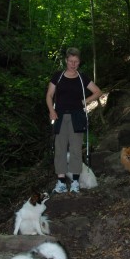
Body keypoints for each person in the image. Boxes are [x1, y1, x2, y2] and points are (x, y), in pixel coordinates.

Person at [46, 47, 102, 193]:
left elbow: (97, 91)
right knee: (60, 149)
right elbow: (49, 95)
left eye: (76, 62)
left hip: (77, 117)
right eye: (71, 61)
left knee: (76, 149)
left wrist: (85, 102)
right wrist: (51, 111)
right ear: (66, 61)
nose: (73, 64)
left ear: (79, 62)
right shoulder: (58, 76)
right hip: (60, 116)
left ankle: (76, 182)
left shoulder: (82, 77)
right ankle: (61, 183)